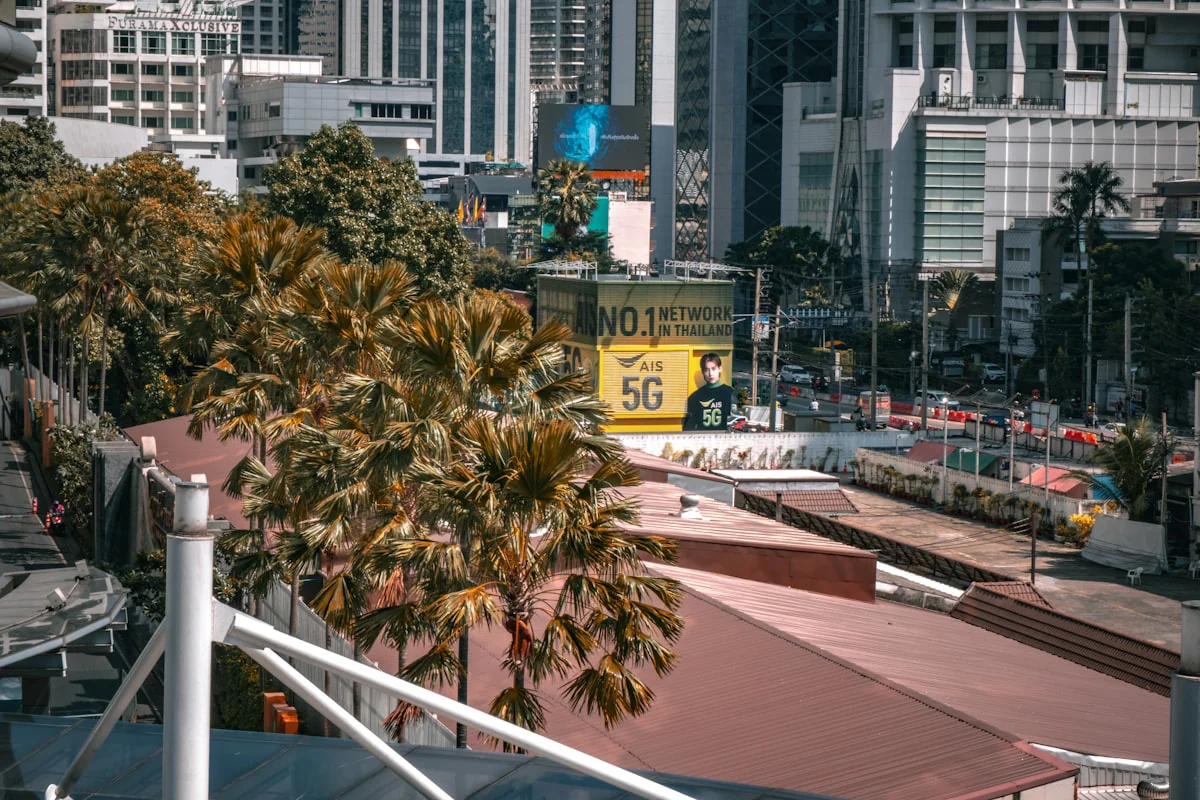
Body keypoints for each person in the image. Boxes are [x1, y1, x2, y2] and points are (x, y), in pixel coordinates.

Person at [683, 353, 734, 431]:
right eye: (707, 370)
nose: (711, 374)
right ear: (703, 372)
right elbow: (688, 428)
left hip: (724, 439)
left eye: (713, 369)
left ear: (720, 369)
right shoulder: (694, 397)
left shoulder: (729, 393)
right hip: (702, 440)